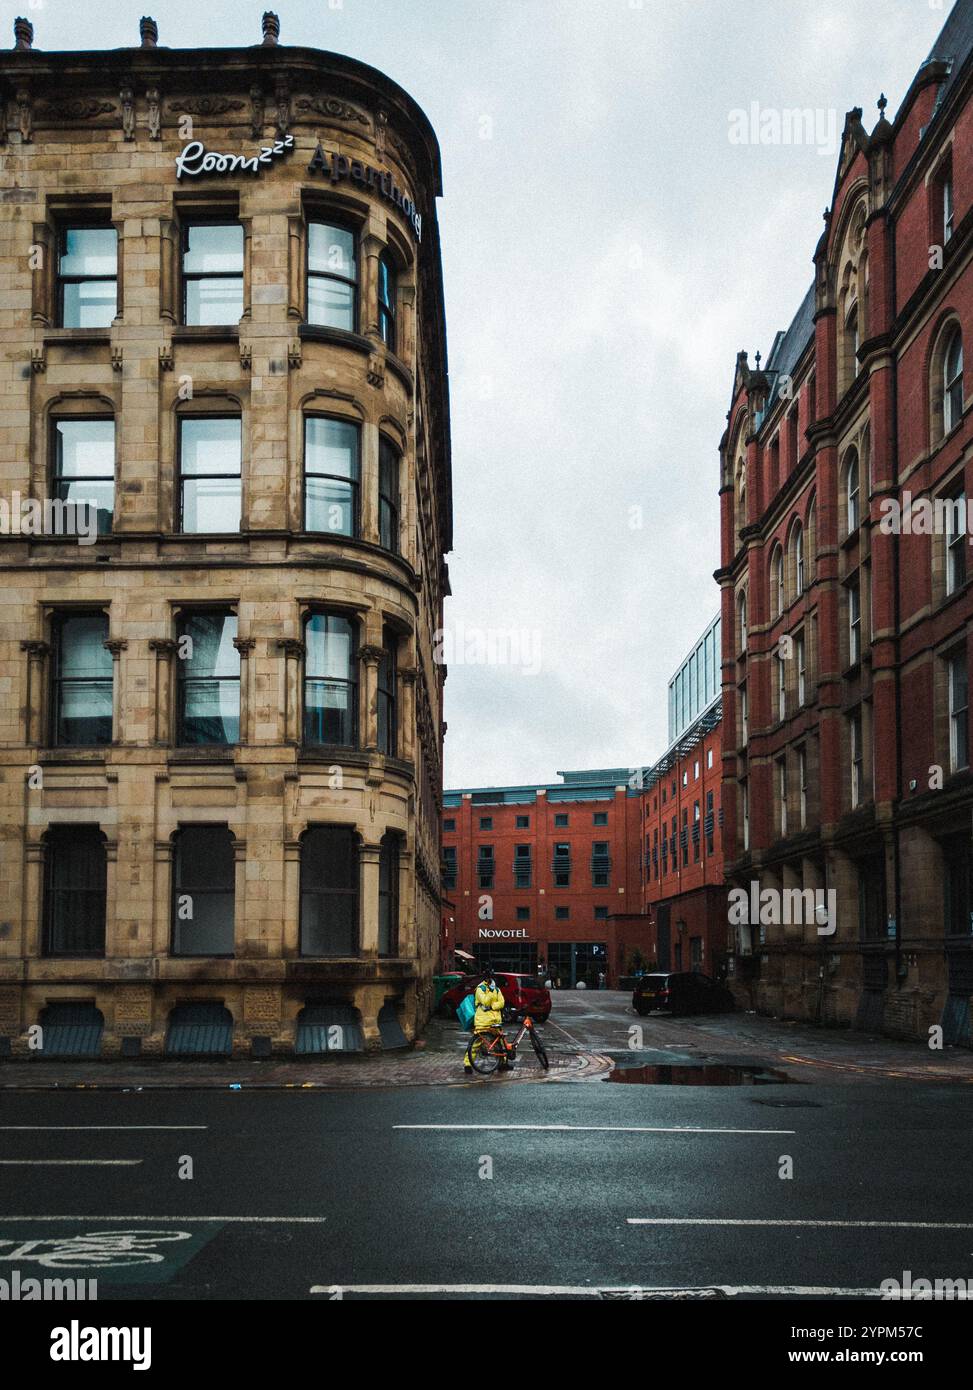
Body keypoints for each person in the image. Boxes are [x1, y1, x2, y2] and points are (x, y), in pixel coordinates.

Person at [463, 968, 511, 1073]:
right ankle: (467, 1064)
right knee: (477, 1043)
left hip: (495, 1020)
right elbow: (484, 1001)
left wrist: (493, 1005)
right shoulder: (480, 989)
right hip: (483, 1020)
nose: (490, 980)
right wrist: (490, 992)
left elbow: (502, 1002)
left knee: (500, 1043)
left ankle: (502, 1063)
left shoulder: (496, 989)